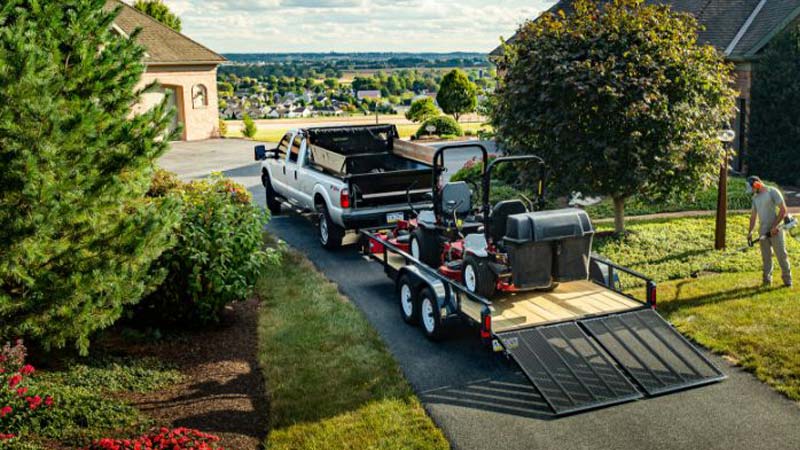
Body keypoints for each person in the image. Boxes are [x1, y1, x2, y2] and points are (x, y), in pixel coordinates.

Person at [747, 176, 792, 287]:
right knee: (766, 257)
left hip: (776, 229)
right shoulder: (755, 198)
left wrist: (774, 226)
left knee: (781, 255)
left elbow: (783, 209)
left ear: (757, 184)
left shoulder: (772, 191)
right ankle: (766, 281)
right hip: (763, 230)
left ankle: (787, 281)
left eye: (752, 188)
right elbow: (753, 217)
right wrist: (750, 232)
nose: (752, 191)